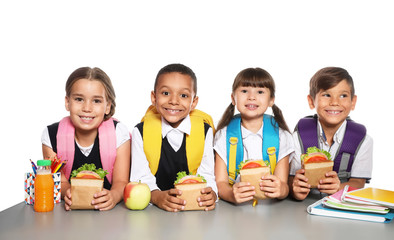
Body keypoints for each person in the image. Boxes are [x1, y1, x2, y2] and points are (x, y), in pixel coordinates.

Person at [42, 67, 131, 211]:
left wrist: (113, 196)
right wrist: (68, 192)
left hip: (110, 217)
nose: (87, 108)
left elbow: (121, 180)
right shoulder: (51, 136)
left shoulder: (118, 133)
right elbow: (60, 181)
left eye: (96, 101)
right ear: (67, 102)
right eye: (79, 99)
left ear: (107, 106)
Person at [131, 63, 217, 212]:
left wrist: (211, 194)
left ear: (193, 102)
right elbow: (140, 178)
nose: (174, 101)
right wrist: (157, 197)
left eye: (183, 95)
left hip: (193, 210)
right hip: (154, 214)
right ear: (154, 97)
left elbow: (207, 175)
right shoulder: (141, 131)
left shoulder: (205, 131)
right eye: (165, 93)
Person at [289, 67, 373, 200]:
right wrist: (295, 189)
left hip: (340, 206)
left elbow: (358, 182)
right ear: (311, 101)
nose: (334, 102)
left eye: (343, 95)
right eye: (326, 95)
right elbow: (291, 179)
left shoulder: (362, 140)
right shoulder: (298, 137)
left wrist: (338, 188)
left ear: (353, 102)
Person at [214, 67, 294, 204]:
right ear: (233, 98)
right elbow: (221, 183)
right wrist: (231, 195)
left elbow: (283, 184)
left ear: (271, 100)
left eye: (260, 92)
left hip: (271, 211)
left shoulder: (282, 137)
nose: (252, 97)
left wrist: (281, 190)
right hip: (232, 210)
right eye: (244, 91)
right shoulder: (224, 135)